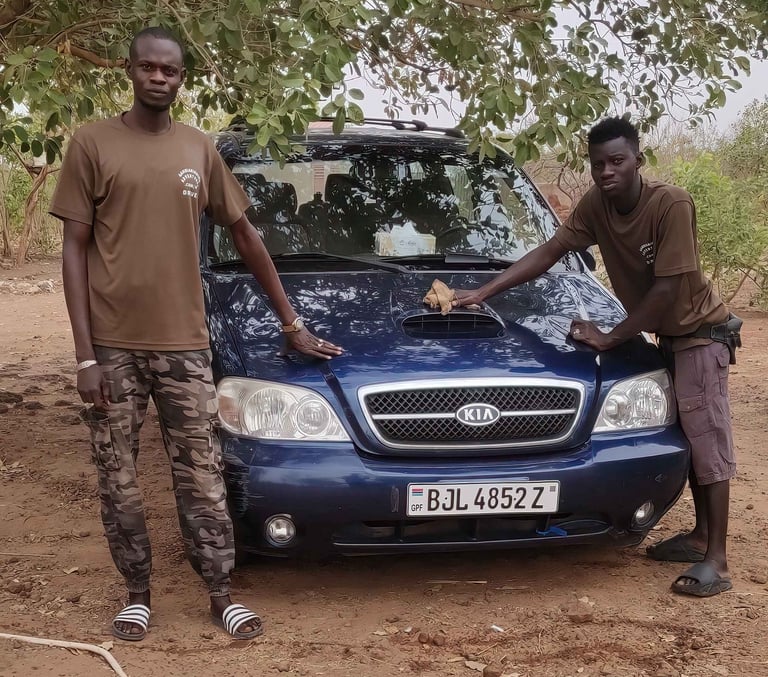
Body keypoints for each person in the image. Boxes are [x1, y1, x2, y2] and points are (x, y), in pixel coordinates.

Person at [50, 26, 343, 641]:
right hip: (112, 347)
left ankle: (220, 593)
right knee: (118, 477)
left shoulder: (198, 149)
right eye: (149, 68)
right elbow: (73, 248)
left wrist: (291, 322)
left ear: (182, 79)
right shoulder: (92, 143)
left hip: (185, 345)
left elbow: (245, 235)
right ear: (130, 70)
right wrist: (84, 356)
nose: (159, 78)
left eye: (171, 71)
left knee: (203, 477)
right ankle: (137, 594)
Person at [453, 116, 740, 598]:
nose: (606, 172)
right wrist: (485, 292)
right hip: (669, 338)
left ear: (638, 161)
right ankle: (699, 537)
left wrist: (610, 337)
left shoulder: (670, 203)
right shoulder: (596, 205)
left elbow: (668, 290)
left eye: (617, 161)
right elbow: (551, 251)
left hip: (699, 336)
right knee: (691, 439)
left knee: (708, 443)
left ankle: (717, 559)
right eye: (598, 164)